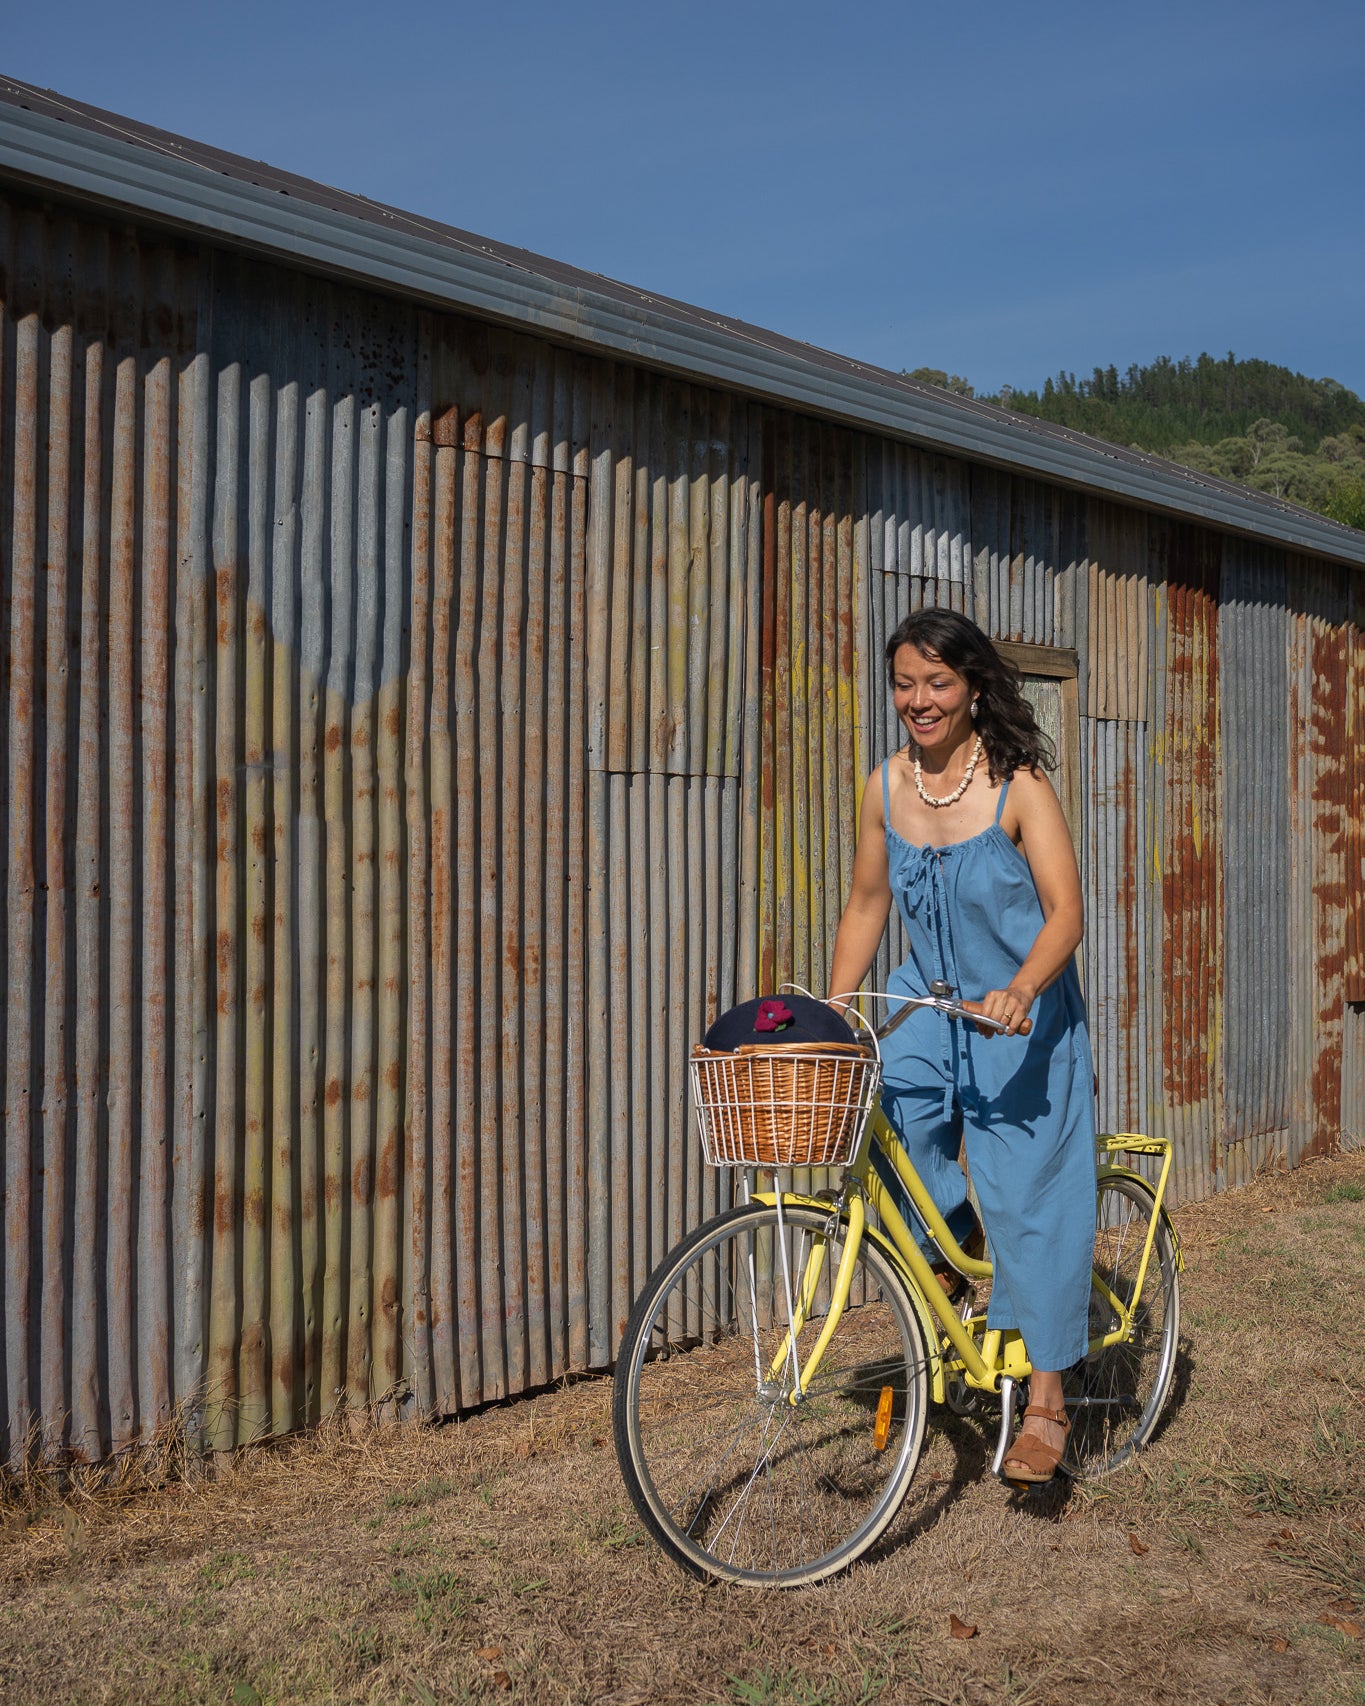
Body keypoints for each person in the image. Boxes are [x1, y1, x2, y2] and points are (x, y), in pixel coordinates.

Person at [827, 608, 1096, 1484]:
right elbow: (868, 905)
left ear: (973, 686)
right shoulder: (886, 785)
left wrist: (1022, 988)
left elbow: (1066, 914)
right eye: (904, 683)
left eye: (937, 683)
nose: (918, 700)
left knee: (1028, 1195)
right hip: (926, 1001)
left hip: (1016, 1008)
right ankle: (951, 1253)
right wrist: (835, 1012)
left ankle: (1048, 1399)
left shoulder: (1019, 786)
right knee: (888, 1115)